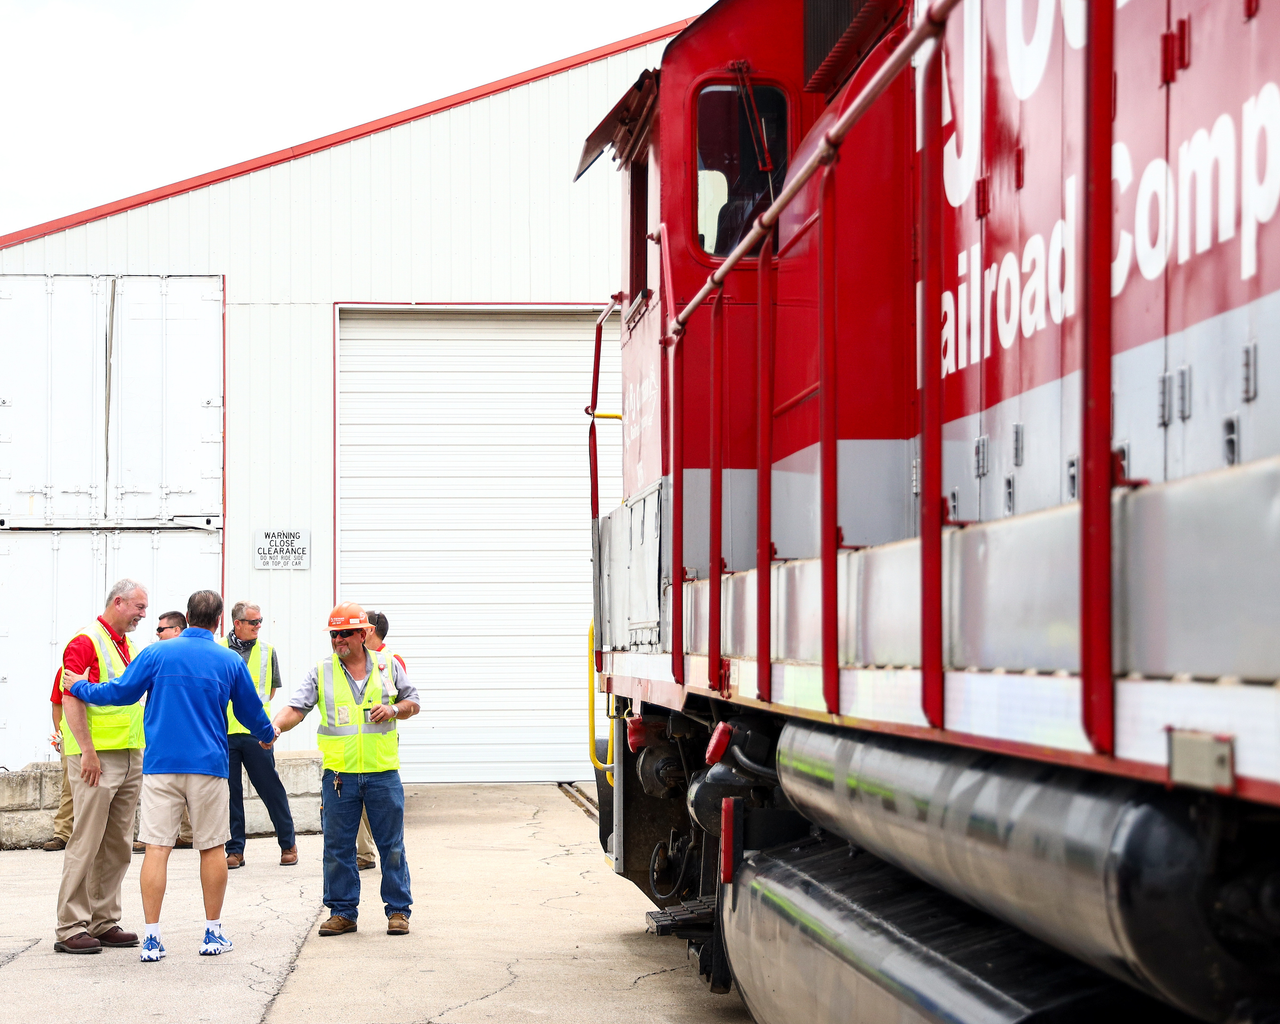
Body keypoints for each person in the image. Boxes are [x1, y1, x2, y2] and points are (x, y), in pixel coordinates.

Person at [63, 590, 278, 963]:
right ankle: (212, 933)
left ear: (188, 617)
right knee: (211, 848)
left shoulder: (156, 653)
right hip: (209, 766)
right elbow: (250, 710)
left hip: (161, 766)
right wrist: (266, 734)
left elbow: (121, 692)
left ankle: (151, 938)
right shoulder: (228, 660)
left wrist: (78, 685)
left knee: (157, 848)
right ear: (218, 622)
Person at [272, 603, 419, 937]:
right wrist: (276, 727)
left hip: (382, 773)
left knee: (391, 846)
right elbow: (297, 708)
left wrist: (394, 709)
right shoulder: (322, 672)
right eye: (334, 634)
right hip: (339, 776)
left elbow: (414, 703)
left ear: (364, 634)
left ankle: (398, 911)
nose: (338, 640)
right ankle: (342, 912)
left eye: (345, 634)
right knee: (337, 848)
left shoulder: (388, 666)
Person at [53, 579, 149, 954]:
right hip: (96, 758)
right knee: (86, 841)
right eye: (139, 607)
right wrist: (88, 752)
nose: (143, 614)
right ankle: (70, 925)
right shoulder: (85, 641)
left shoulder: (127, 646)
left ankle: (104, 919)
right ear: (119, 601)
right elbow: (70, 696)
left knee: (118, 844)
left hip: (128, 754)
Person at [218, 601, 297, 868]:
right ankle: (235, 850)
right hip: (225, 732)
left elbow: (270, 691)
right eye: (253, 622)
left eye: (260, 621)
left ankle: (288, 843)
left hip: (257, 733)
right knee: (230, 794)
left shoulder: (268, 651)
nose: (258, 626)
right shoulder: (217, 649)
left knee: (270, 789)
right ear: (237, 623)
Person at [355, 610, 407, 872]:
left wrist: (390, 710)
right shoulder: (353, 660)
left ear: (371, 630)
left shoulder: (390, 661)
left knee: (379, 801)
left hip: (380, 742)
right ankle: (364, 852)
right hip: (353, 744)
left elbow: (403, 701)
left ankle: (371, 850)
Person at [152, 611, 195, 853]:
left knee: (157, 845)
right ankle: (186, 833)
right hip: (183, 743)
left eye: (161, 630)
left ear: (177, 630)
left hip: (174, 743)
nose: (157, 634)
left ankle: (182, 834)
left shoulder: (159, 656)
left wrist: (83, 688)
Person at [43, 671, 74, 852]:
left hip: (109, 739)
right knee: (69, 786)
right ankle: (62, 834)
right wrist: (59, 735)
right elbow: (57, 704)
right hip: (71, 739)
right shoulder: (65, 669)